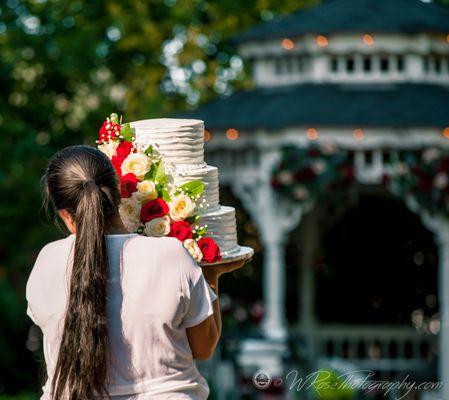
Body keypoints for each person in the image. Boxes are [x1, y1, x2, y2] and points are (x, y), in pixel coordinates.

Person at [25, 145, 250, 400]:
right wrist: (210, 275)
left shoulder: (47, 260)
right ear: (120, 193)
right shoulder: (170, 255)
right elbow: (204, 347)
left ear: (65, 214)